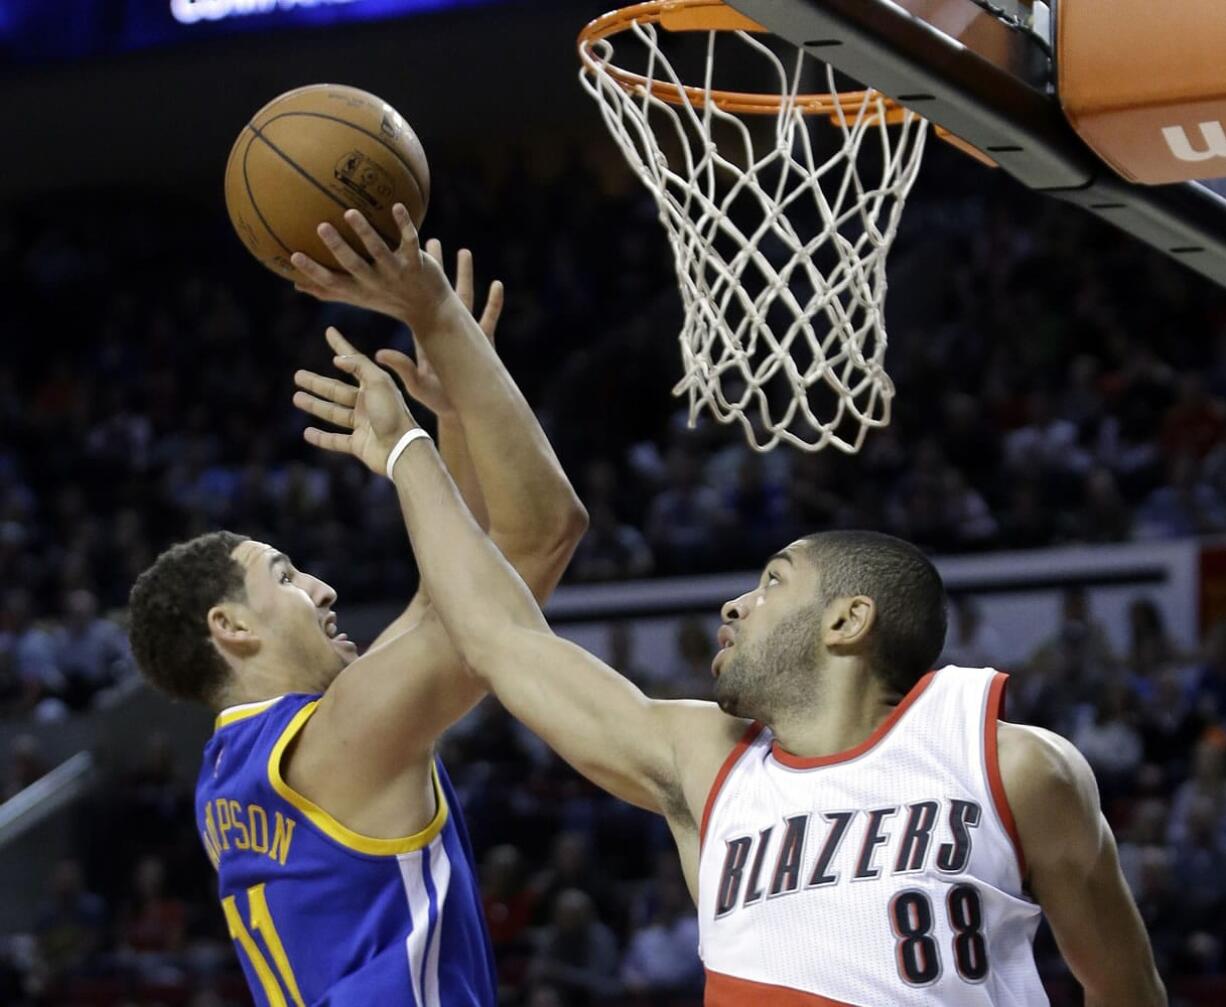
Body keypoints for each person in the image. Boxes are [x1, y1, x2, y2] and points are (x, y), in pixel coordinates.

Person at [295, 220, 1165, 1004]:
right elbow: (498, 634)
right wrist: (416, 431)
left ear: (848, 620)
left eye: (774, 580)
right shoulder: (708, 765)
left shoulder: (1010, 763)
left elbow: (1125, 986)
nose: (735, 601)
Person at [126, 204, 587, 1005]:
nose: (322, 587)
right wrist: (429, 336)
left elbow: (457, 583)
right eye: (286, 574)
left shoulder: (232, 773)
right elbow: (539, 537)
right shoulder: (343, 740)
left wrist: (451, 412)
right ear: (229, 627)